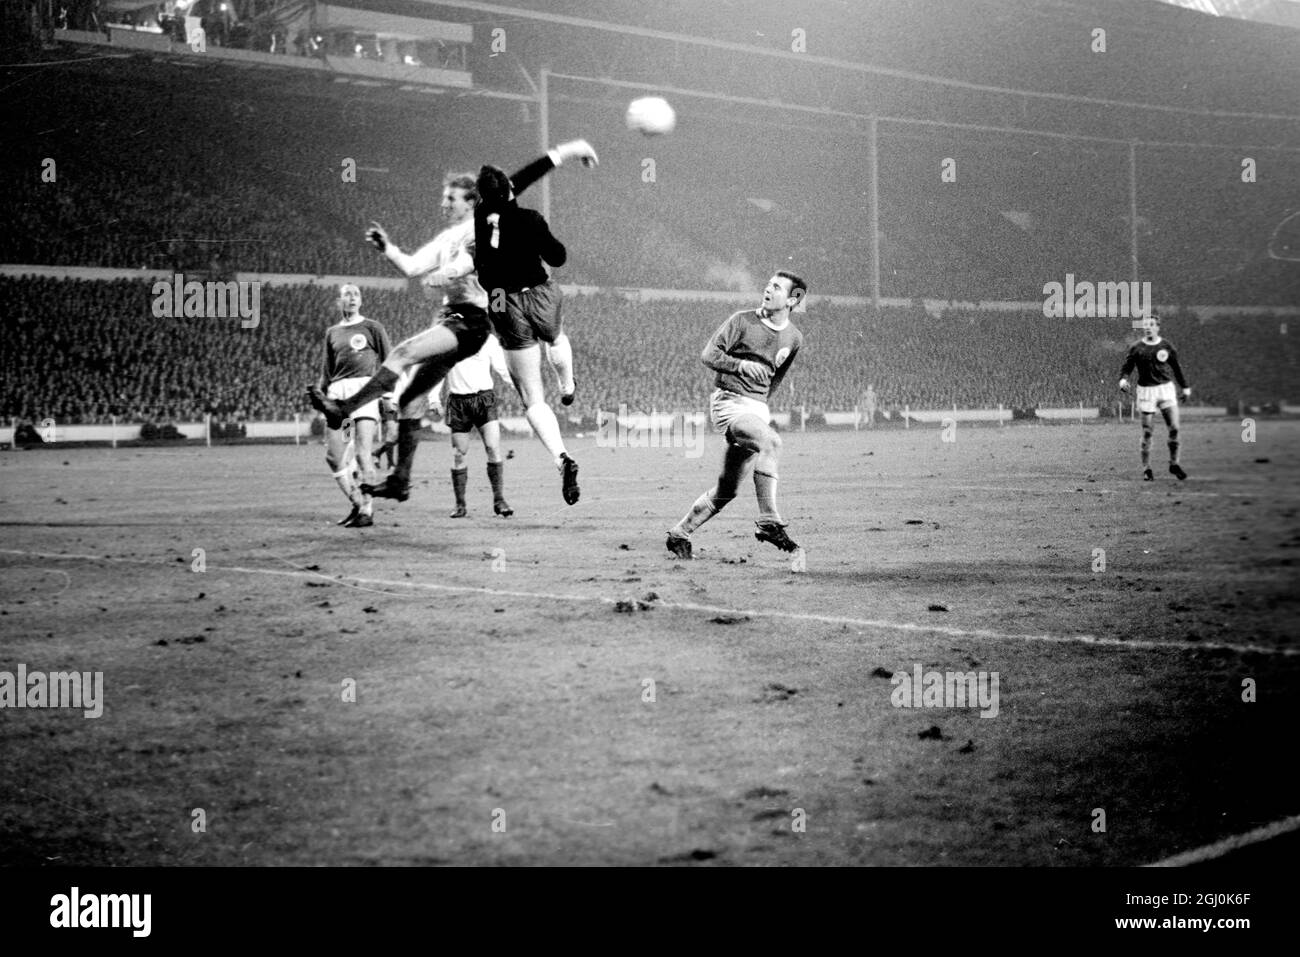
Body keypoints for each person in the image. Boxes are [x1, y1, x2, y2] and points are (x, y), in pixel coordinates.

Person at [306, 139, 598, 504]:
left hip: (473, 319)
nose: (443, 204)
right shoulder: (457, 232)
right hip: (464, 314)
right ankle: (400, 481)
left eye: (450, 198)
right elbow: (413, 267)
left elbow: (513, 194)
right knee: (412, 399)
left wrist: (451, 272)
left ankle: (342, 410)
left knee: (402, 353)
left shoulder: (480, 223)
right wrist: (387, 248)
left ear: (471, 200)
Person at [666, 271, 807, 561]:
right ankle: (769, 521)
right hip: (729, 403)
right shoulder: (742, 320)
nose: (768, 290)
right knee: (772, 443)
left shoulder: (794, 338)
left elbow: (776, 378)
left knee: (727, 489)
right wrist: (740, 366)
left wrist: (761, 406)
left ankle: (679, 533)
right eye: (767, 285)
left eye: (776, 287)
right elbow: (708, 355)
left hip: (755, 410)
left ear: (794, 299)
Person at [474, 161, 581, 505]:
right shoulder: (531, 219)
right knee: (556, 337)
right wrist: (560, 154)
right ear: (509, 190)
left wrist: (559, 153)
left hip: (502, 298)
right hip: (539, 290)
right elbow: (558, 256)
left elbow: (506, 188)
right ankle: (568, 386)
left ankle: (561, 458)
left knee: (532, 397)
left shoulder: (480, 214)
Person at [318, 283, 390, 528]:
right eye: (347, 294)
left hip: (364, 394)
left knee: (362, 452)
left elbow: (391, 363)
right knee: (335, 456)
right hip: (339, 397)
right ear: (339, 301)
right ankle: (358, 502)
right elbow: (327, 371)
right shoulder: (332, 333)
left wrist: (389, 401)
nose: (352, 298)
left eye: (356, 294)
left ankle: (366, 511)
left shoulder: (372, 327)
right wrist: (322, 398)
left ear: (361, 301)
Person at [443, 334, 513, 518]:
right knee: (459, 453)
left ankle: (499, 501)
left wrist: (519, 388)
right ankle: (460, 505)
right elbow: (438, 369)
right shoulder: (447, 340)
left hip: (484, 399)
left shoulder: (487, 339)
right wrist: (432, 398)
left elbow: (502, 367)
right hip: (459, 402)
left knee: (492, 447)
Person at [1119, 314, 1190, 481]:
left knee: (1174, 428)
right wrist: (1123, 379)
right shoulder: (1136, 348)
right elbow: (1127, 367)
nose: (1148, 327)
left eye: (1151, 324)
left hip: (1166, 389)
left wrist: (1185, 387)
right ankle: (1147, 468)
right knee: (1147, 432)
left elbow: (1176, 368)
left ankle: (1174, 464)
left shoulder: (1166, 346)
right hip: (1146, 392)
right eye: (1145, 324)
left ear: (1158, 327)